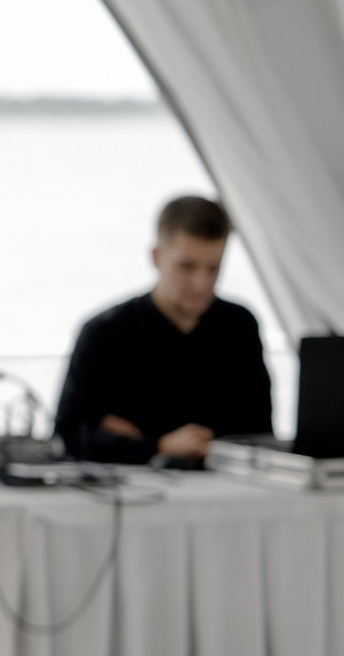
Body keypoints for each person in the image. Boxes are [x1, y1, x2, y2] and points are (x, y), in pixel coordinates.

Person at [54, 194, 272, 464]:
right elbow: (69, 435)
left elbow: (260, 433)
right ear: (157, 257)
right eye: (187, 267)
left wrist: (134, 440)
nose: (201, 284)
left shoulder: (240, 326)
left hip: (225, 483)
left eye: (213, 268)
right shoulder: (104, 332)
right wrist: (158, 446)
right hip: (131, 486)